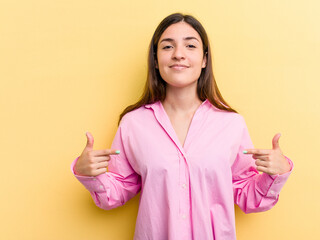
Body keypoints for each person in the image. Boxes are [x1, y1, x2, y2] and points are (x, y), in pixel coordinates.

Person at [71, 12, 293, 240]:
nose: (178, 54)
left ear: (204, 59)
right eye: (167, 47)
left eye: (190, 46)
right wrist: (88, 174)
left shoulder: (231, 124)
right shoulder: (133, 124)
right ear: (155, 60)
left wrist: (276, 173)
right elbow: (117, 191)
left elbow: (248, 195)